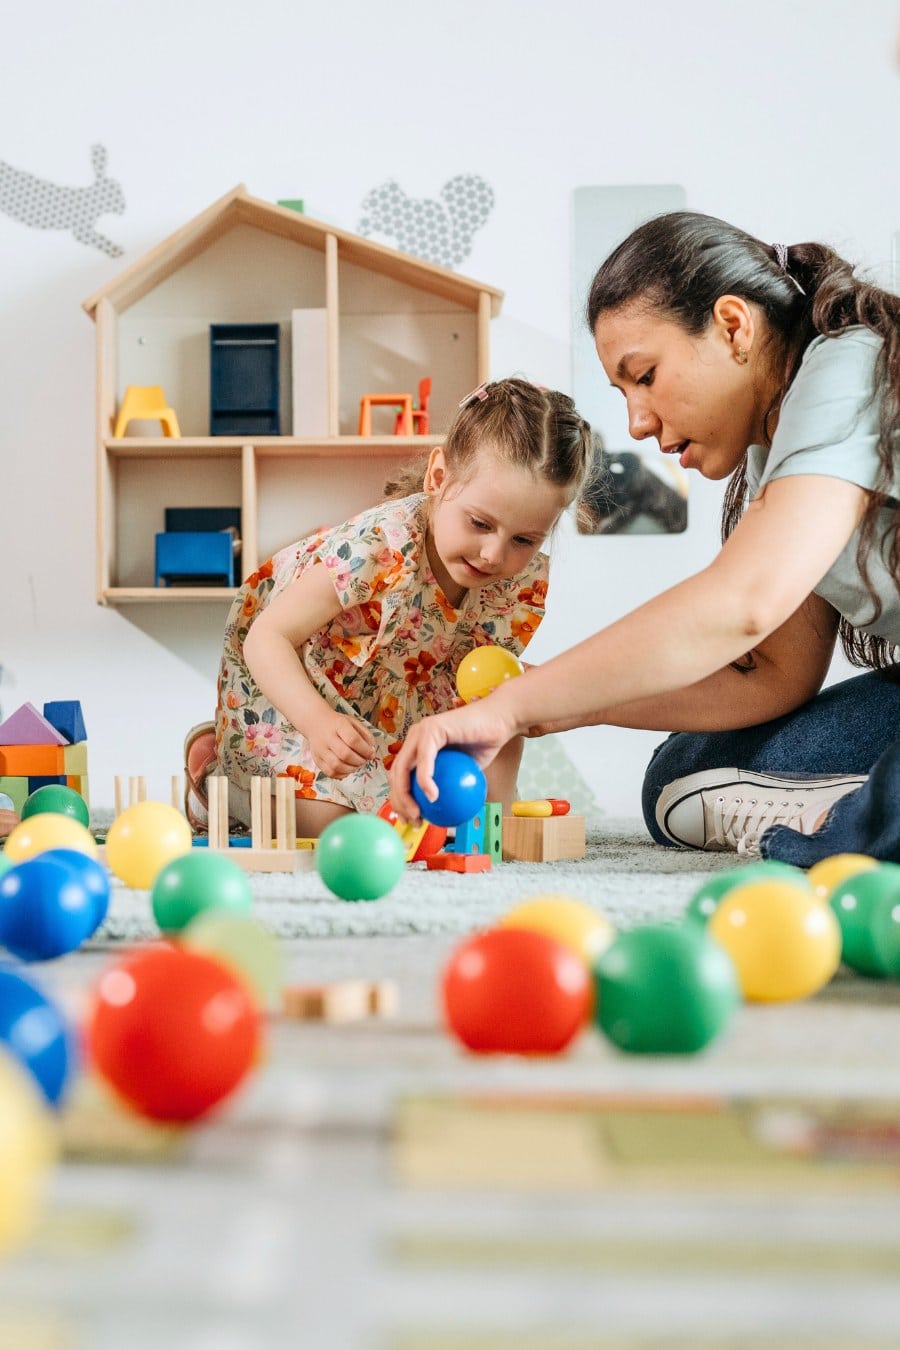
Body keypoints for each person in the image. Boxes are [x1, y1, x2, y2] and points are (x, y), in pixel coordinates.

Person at [390, 211, 900, 867]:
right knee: (679, 777)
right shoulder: (769, 458)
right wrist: (556, 704)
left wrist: (511, 708)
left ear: (733, 326)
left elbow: (742, 603)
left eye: (646, 375)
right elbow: (771, 676)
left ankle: (855, 825)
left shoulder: (848, 367)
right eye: (622, 391)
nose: (634, 422)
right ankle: (864, 811)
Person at [187, 378, 591, 837]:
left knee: (433, 816)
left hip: (390, 709)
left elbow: (490, 693)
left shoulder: (518, 580)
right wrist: (318, 725)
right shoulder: (379, 546)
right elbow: (267, 637)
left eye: (524, 539)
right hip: (296, 697)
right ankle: (218, 780)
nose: (494, 555)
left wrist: (492, 815)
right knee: (336, 826)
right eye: (480, 523)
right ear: (438, 478)